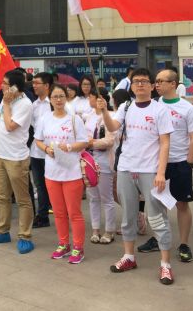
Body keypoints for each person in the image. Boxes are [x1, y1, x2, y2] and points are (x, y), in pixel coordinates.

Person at [98, 68, 175, 284]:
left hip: (150, 170)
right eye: (136, 81)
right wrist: (104, 111)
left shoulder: (160, 110)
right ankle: (129, 257)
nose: (140, 84)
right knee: (128, 216)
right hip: (126, 167)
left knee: (157, 217)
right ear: (131, 86)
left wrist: (161, 172)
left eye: (144, 81)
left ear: (152, 86)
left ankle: (165, 264)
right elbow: (113, 127)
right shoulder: (126, 106)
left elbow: (165, 143)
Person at [138, 69, 193, 262]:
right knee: (157, 204)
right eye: (156, 81)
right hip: (156, 164)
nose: (156, 84)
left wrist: (189, 162)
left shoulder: (187, 108)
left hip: (179, 163)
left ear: (173, 84)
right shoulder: (153, 105)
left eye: (161, 81)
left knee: (182, 204)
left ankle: (184, 244)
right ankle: (159, 239)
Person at [0, 70, 35, 254]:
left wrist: (6, 103)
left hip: (16, 158)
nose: (2, 85)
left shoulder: (25, 104)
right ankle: (2, 231)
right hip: (1, 155)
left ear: (15, 87)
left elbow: (11, 126)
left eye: (5, 83)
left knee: (22, 199)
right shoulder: (7, 99)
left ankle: (25, 236)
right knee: (2, 196)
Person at [34, 83, 89, 263]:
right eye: (55, 96)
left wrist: (70, 147)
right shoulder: (45, 118)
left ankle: (78, 247)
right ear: (50, 99)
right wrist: (46, 149)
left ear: (67, 98)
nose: (58, 100)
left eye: (61, 96)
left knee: (74, 213)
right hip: (51, 172)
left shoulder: (74, 119)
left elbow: (84, 142)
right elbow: (38, 140)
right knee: (58, 212)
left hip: (71, 172)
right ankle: (63, 244)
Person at [85, 87, 117, 244]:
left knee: (106, 197)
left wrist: (92, 142)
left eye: (92, 97)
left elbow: (110, 140)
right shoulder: (89, 116)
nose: (90, 100)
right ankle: (95, 229)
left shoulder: (111, 116)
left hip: (104, 160)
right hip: (89, 160)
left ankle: (110, 230)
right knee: (93, 197)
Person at [30, 72, 53, 229]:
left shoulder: (54, 103)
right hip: (36, 150)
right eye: (33, 83)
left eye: (37, 83)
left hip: (52, 151)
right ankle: (43, 216)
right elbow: (32, 126)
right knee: (39, 185)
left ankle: (62, 213)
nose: (34, 86)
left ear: (46, 85)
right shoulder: (34, 105)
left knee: (53, 185)